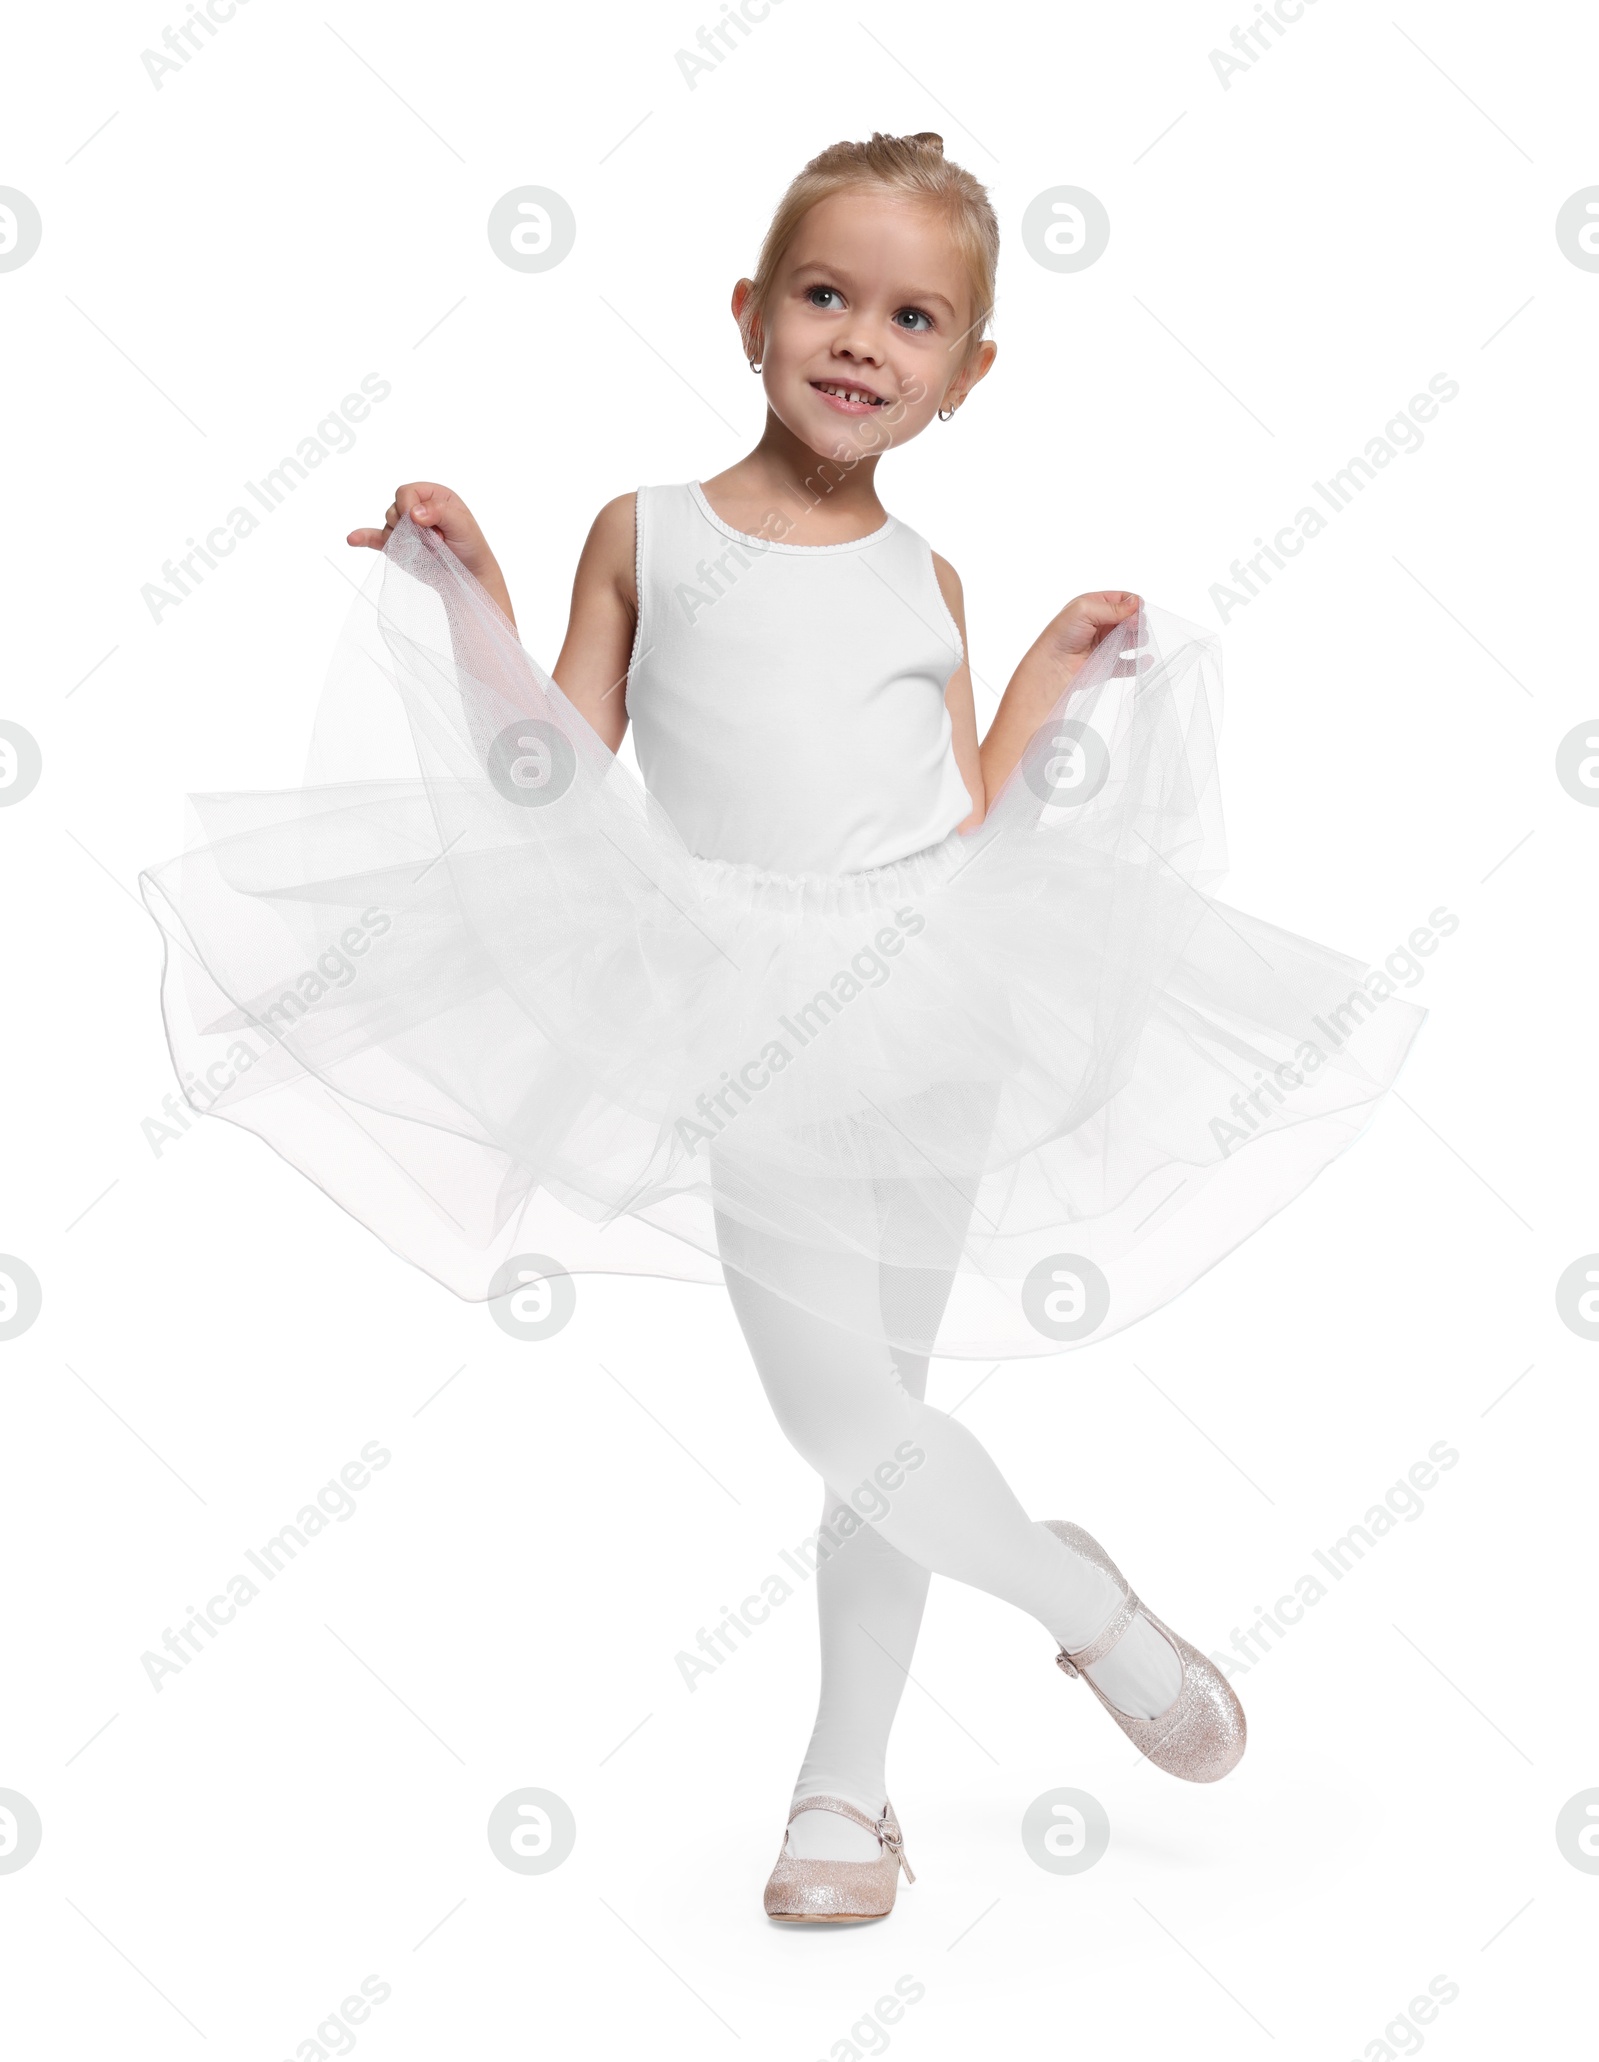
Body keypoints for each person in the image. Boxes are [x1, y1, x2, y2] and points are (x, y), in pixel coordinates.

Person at [141, 131, 1424, 1923]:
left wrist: (1048, 681)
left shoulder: (933, 577)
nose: (860, 341)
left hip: (936, 994)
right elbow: (557, 785)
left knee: (881, 1412)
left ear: (966, 377)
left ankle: (845, 1788)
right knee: (844, 1419)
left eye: (913, 319)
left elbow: (959, 813)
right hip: (745, 1009)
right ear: (751, 312)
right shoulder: (646, 533)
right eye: (827, 295)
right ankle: (1088, 1610)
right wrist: (476, 597)